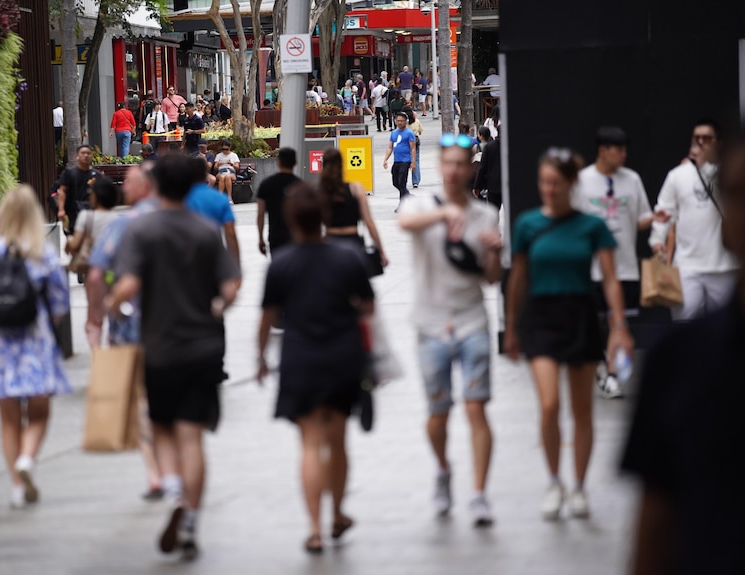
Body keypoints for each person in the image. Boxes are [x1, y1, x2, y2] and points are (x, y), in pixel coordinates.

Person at [621, 123, 745, 575]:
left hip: (721, 271)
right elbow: (654, 524)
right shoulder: (676, 361)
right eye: (743, 196)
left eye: (709, 138)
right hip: (692, 268)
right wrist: (661, 247)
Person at [108, 154, 241, 561]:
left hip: (161, 347)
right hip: (203, 347)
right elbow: (231, 284)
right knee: (192, 437)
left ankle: (172, 490)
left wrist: (114, 307)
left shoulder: (142, 230)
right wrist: (217, 306)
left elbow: (127, 284)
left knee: (160, 428)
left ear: (157, 186)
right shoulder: (204, 230)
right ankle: (191, 520)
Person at [504, 148, 633, 521]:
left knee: (582, 410)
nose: (549, 189)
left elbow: (610, 279)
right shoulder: (527, 224)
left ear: (571, 184)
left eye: (555, 183)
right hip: (540, 317)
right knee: (548, 405)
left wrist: (619, 326)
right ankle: (553, 481)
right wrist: (511, 327)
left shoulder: (591, 227)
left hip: (579, 314)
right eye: (544, 182)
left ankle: (577, 486)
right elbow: (519, 278)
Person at [257, 182, 375, 554]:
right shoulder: (347, 258)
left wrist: (260, 358)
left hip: (300, 359)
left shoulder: (282, 264)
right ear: (323, 216)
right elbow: (368, 308)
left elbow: (267, 319)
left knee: (309, 444)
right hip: (343, 358)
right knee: (338, 442)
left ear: (291, 219)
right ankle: (338, 513)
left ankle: (313, 529)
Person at [398, 132, 503, 526]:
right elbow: (406, 224)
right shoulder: (423, 205)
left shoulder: (484, 215)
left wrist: (495, 252)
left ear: (471, 168)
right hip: (431, 324)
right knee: (438, 414)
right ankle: (443, 470)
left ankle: (479, 494)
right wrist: (442, 215)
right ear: (441, 167)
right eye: (449, 164)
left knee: (477, 409)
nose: (455, 171)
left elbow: (491, 279)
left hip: (472, 320)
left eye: (462, 164)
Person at [0, 184, 71, 509]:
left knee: (8, 419)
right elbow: (60, 303)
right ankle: (28, 460)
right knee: (39, 412)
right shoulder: (42, 251)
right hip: (35, 341)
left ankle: (17, 487)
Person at [86, 165, 165, 503]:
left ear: (144, 187)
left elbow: (95, 276)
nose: (125, 185)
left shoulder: (123, 225)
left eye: (130, 181)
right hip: (179, 328)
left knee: (141, 399)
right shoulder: (183, 222)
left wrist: (96, 318)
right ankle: (176, 469)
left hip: (131, 325)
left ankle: (156, 473)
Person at [573, 127, 660, 399]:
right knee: (593, 324)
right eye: (617, 150)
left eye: (624, 149)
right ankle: (599, 365)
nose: (623, 155)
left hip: (625, 266)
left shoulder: (631, 179)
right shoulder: (582, 181)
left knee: (618, 323)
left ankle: (613, 375)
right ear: (602, 151)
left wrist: (658, 217)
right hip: (590, 269)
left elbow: (639, 218)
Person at [649, 119, 738, 321]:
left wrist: (707, 163)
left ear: (718, 143)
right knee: (684, 323)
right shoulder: (677, 175)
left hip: (724, 264)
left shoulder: (727, 172)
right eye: (696, 138)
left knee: (726, 325)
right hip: (687, 264)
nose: (700, 142)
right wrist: (657, 240)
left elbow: (720, 184)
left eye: (706, 138)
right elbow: (664, 210)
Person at [66, 176, 122, 345]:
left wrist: (69, 242)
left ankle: (97, 354)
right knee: (115, 312)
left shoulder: (86, 216)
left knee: (94, 319)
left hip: (93, 272)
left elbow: (75, 245)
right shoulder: (118, 219)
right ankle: (115, 348)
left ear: (96, 196)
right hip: (113, 272)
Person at [321, 148, 388, 269]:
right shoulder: (355, 188)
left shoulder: (319, 192)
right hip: (353, 244)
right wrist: (381, 251)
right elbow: (369, 222)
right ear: (342, 165)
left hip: (329, 245)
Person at [183, 157, 241, 268]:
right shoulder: (220, 199)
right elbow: (230, 233)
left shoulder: (181, 199)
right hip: (213, 253)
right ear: (206, 172)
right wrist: (236, 266)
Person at [257, 147, 300, 256]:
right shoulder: (300, 185)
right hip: (296, 237)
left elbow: (260, 214)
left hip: (275, 235)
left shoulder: (266, 184)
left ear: (279, 162)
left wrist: (261, 238)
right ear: (295, 163)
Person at [56, 145, 101, 236]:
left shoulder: (96, 175)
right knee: (74, 235)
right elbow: (62, 191)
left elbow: (102, 193)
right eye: (83, 153)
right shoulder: (69, 173)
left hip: (90, 211)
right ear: (77, 155)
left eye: (88, 153)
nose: (86, 155)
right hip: (73, 210)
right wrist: (61, 209)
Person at [383, 112, 417, 211]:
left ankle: (402, 205)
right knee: (395, 182)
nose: (399, 123)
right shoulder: (394, 133)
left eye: (401, 121)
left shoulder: (409, 133)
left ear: (405, 121)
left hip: (405, 161)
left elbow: (413, 148)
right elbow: (390, 147)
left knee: (402, 183)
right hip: (396, 161)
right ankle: (408, 196)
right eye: (398, 121)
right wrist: (385, 159)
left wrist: (413, 162)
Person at [473, 122, 502, 208]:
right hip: (510, 185)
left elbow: (483, 167)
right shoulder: (512, 146)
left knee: (494, 212)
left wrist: (477, 186)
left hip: (493, 185)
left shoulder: (490, 147)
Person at [213, 140, 240, 205]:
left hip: (231, 172)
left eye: (226, 149)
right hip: (221, 172)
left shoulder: (234, 155)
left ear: (229, 148)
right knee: (222, 177)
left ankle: (229, 197)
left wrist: (231, 164)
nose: (225, 151)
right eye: (223, 149)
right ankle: (220, 197)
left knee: (227, 176)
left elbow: (237, 167)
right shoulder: (219, 155)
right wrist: (218, 164)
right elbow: (215, 168)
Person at [404, 107, 424, 189]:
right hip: (415, 140)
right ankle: (415, 181)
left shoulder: (404, 123)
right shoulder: (417, 121)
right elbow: (421, 131)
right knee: (416, 160)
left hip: (405, 141)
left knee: (405, 160)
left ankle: (403, 180)